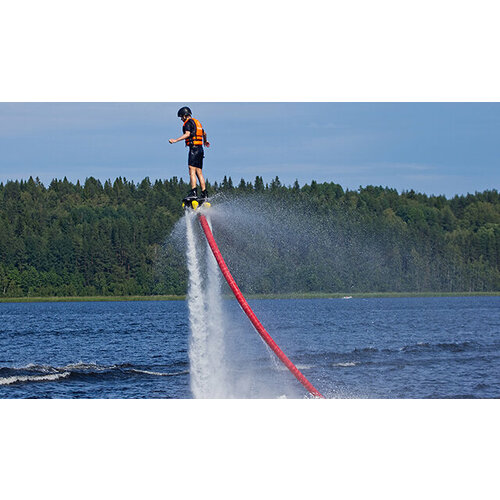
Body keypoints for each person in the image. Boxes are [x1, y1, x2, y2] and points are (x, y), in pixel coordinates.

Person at [169, 106, 210, 201]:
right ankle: (204, 194)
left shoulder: (188, 123)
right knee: (199, 172)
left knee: (191, 170)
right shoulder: (197, 123)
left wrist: (175, 140)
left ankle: (194, 192)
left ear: (184, 115)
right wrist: (205, 141)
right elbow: (204, 133)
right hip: (200, 149)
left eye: (181, 117)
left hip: (194, 149)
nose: (181, 119)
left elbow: (187, 134)